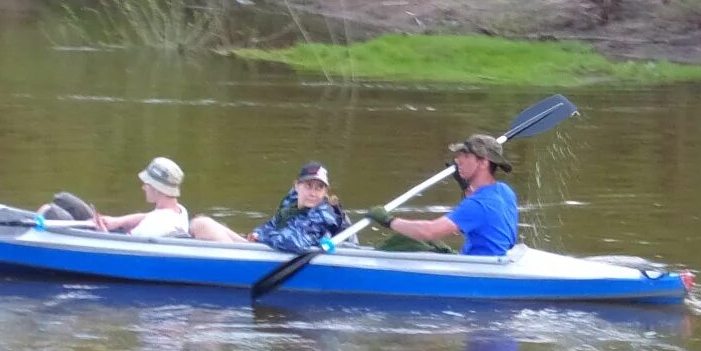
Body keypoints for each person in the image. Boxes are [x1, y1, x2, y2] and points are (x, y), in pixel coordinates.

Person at [363, 133, 518, 256]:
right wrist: (464, 185)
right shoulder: (505, 191)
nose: (458, 160)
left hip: (477, 270)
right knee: (413, 239)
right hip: (489, 260)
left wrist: (388, 220)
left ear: (484, 163)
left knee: (405, 239)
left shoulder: (479, 205)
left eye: (466, 156)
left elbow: (429, 231)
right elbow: (482, 221)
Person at [189, 162, 348, 252]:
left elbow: (293, 242)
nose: (313, 193)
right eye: (308, 186)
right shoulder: (292, 202)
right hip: (274, 248)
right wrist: (258, 233)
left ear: (325, 191)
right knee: (201, 223)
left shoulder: (324, 215)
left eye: (319, 188)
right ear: (297, 185)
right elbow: (274, 224)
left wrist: (263, 238)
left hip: (291, 252)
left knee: (203, 226)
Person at [83, 157, 189, 238]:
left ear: (157, 189)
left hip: (122, 247)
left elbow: (122, 250)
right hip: (130, 237)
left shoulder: (154, 225)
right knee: (66, 199)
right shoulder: (180, 211)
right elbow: (147, 216)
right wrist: (117, 221)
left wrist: (102, 233)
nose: (143, 187)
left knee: (68, 210)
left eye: (146, 184)